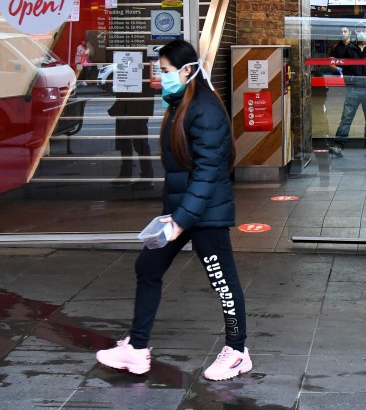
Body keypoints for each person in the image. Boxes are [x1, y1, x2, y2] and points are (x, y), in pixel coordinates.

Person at [96, 40, 250, 381]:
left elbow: (209, 171)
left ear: (185, 71)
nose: (161, 77)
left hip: (204, 215)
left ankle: (237, 351)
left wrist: (181, 220)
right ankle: (136, 349)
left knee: (223, 284)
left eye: (165, 71)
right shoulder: (181, 103)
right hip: (181, 211)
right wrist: (174, 215)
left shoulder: (205, 110)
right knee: (147, 266)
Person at [329, 23, 366, 157]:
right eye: (359, 30)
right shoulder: (350, 49)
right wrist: (350, 84)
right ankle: (339, 145)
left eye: (364, 30)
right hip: (354, 89)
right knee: (346, 117)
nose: (361, 32)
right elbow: (345, 69)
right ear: (356, 33)